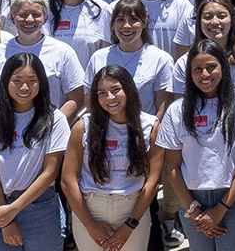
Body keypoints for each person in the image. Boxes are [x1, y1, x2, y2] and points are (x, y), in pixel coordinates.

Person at [159, 41, 235, 250]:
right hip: (191, 199)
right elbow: (172, 167)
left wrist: (220, 209)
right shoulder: (177, 110)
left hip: (234, 199)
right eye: (197, 69)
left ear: (223, 67)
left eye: (211, 67)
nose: (205, 74)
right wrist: (194, 210)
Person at [0, 52, 73, 251]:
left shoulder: (55, 119)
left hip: (40, 208)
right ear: (5, 82)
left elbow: (50, 172)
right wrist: (6, 220)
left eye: (32, 81)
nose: (24, 87)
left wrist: (14, 208)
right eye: (16, 80)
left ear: (41, 82)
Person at [62, 65, 161, 251]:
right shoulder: (83, 127)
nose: (110, 98)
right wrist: (90, 225)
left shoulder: (150, 126)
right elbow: (68, 180)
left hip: (132, 209)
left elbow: (153, 181)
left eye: (116, 90)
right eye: (102, 93)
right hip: (90, 209)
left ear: (129, 89)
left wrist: (129, 225)